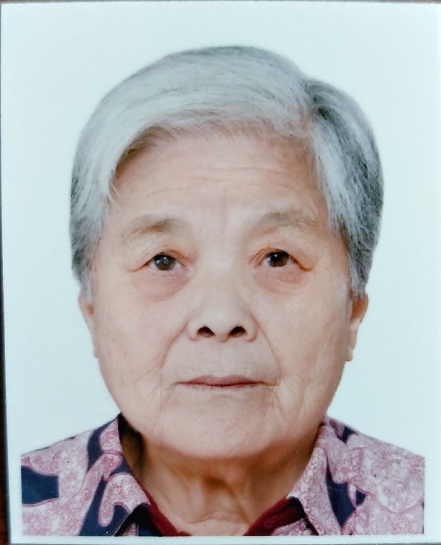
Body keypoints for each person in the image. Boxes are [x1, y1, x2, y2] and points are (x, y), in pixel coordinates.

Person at [21, 46, 424, 537]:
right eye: (163, 260)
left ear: (354, 310)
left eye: (278, 257)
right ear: (91, 307)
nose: (220, 316)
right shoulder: (21, 513)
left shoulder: (422, 512)